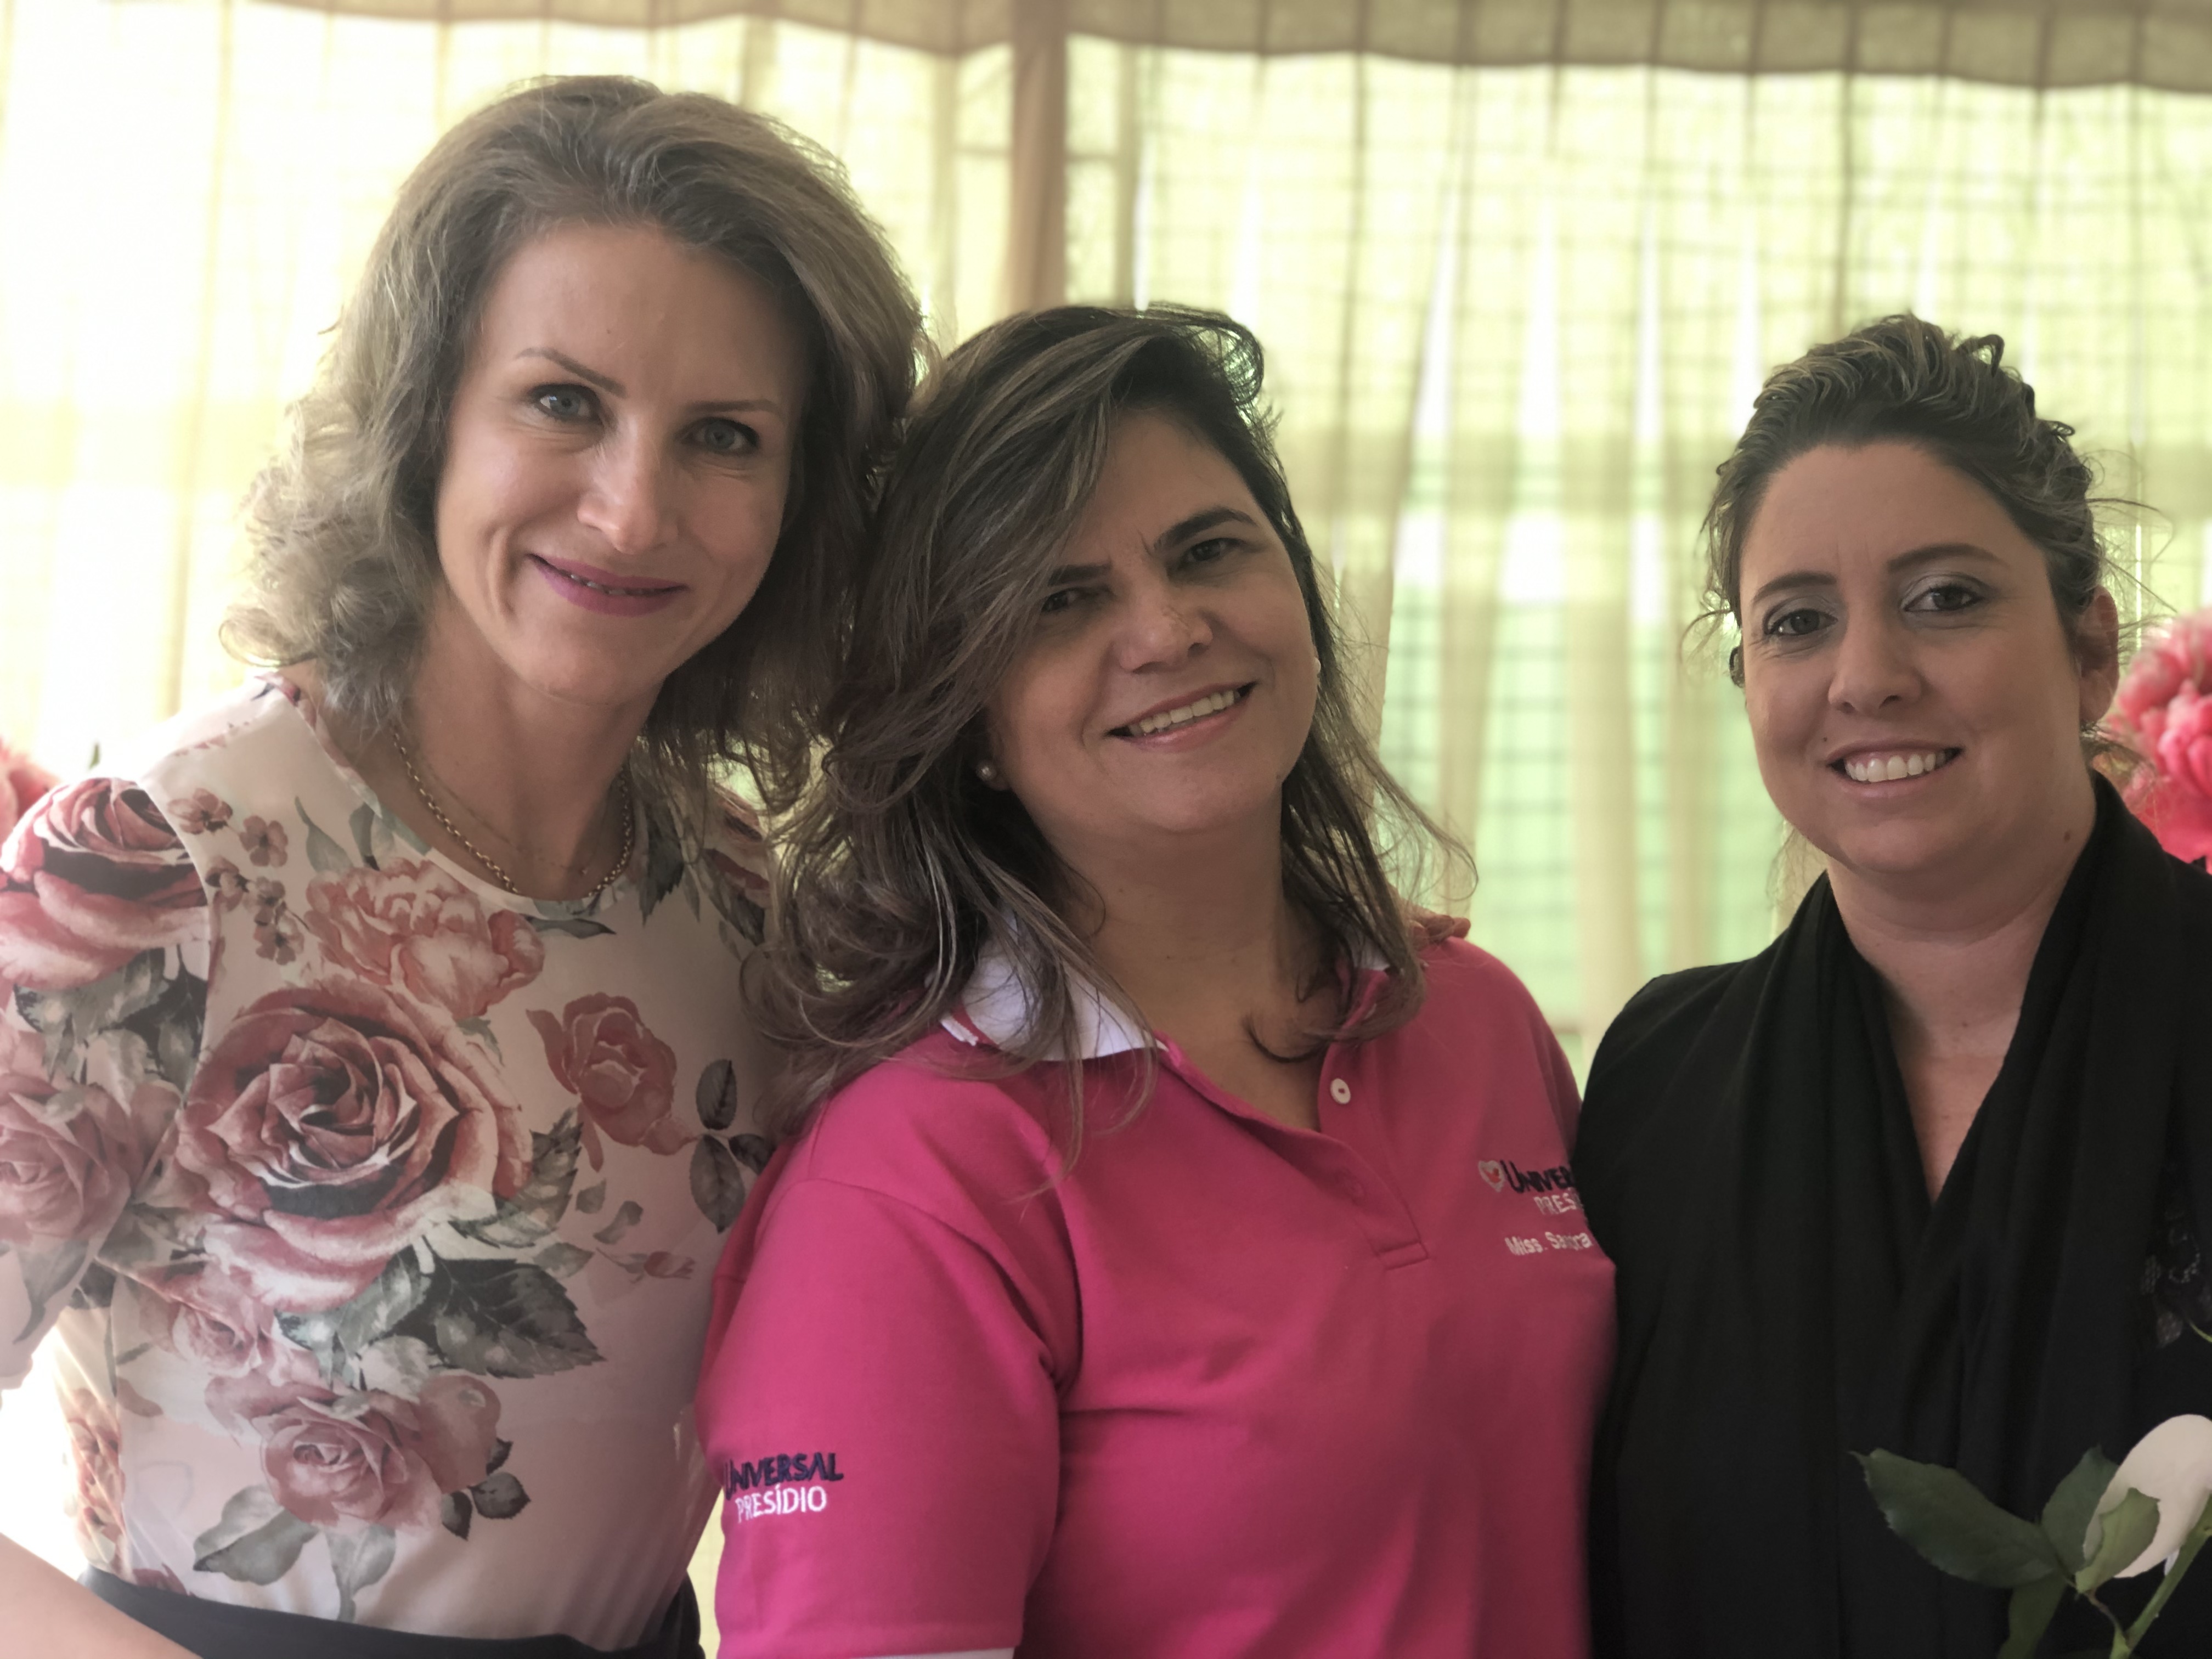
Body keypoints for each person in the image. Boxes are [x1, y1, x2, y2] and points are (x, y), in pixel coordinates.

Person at [0, 75, 918, 1658]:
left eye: (723, 437)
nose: (633, 508)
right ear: (426, 418)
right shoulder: (158, 862)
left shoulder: (740, 898)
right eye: (564, 402)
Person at [696, 307, 1615, 1659]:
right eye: (1061, 602)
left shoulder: (1473, 1018)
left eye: (1209, 551)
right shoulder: (915, 1176)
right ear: (969, 717)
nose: (1169, 629)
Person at [1576, 315, 2212, 1657]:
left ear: (2090, 649)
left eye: (1947, 598)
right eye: (1798, 622)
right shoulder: (1659, 1086)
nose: (1866, 678)